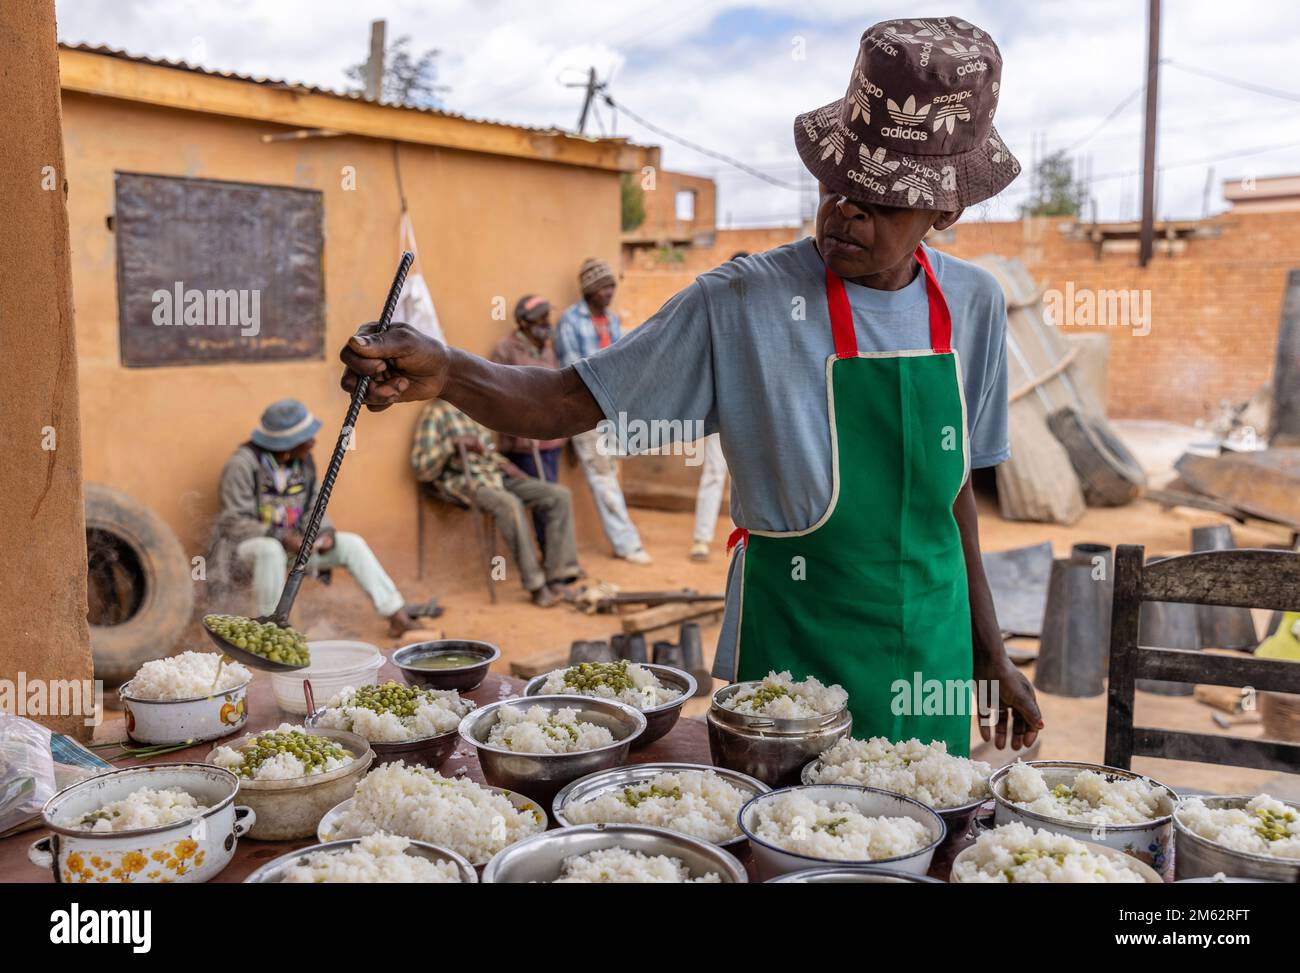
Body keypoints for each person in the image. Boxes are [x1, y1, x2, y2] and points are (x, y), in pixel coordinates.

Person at [339, 18, 1042, 753]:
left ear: (948, 210)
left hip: (930, 654)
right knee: (796, 841)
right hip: (792, 658)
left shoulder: (975, 305)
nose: (846, 209)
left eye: (882, 198)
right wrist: (449, 370)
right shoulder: (742, 302)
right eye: (836, 182)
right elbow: (566, 399)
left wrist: (988, 650)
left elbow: (952, 491)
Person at [208, 399, 439, 638]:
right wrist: (280, 536)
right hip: (247, 549)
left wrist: (324, 534)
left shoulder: (303, 463)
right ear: (286, 444)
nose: (313, 442)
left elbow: (315, 508)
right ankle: (272, 630)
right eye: (306, 438)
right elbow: (232, 522)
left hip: (292, 546)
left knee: (352, 544)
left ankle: (396, 614)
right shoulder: (242, 464)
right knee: (270, 550)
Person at [410, 399, 581, 608]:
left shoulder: (474, 409)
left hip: (495, 477)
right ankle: (536, 585)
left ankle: (558, 577)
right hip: (464, 481)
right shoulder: (435, 413)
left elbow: (487, 452)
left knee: (558, 495)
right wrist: (452, 444)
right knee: (509, 505)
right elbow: (421, 469)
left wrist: (507, 466)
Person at [554, 257, 652, 565]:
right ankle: (627, 544)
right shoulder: (571, 321)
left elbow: (623, 362)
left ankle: (625, 537)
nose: (610, 292)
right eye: (604, 287)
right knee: (603, 478)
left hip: (613, 411)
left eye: (612, 286)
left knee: (609, 472)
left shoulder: (611, 320)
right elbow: (573, 372)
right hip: (587, 413)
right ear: (590, 290)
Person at [490, 294, 567, 549]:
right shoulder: (506, 349)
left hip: (550, 439)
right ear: (523, 322)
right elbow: (499, 393)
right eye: (539, 318)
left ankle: (554, 558)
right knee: (540, 502)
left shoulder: (548, 347)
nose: (546, 323)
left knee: (553, 498)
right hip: (523, 443)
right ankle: (548, 557)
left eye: (547, 317)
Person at [689, 251, 748, 561]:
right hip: (721, 409)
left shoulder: (762, 314)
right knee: (714, 473)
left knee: (755, 476)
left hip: (755, 413)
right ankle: (701, 540)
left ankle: (751, 540)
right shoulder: (716, 313)